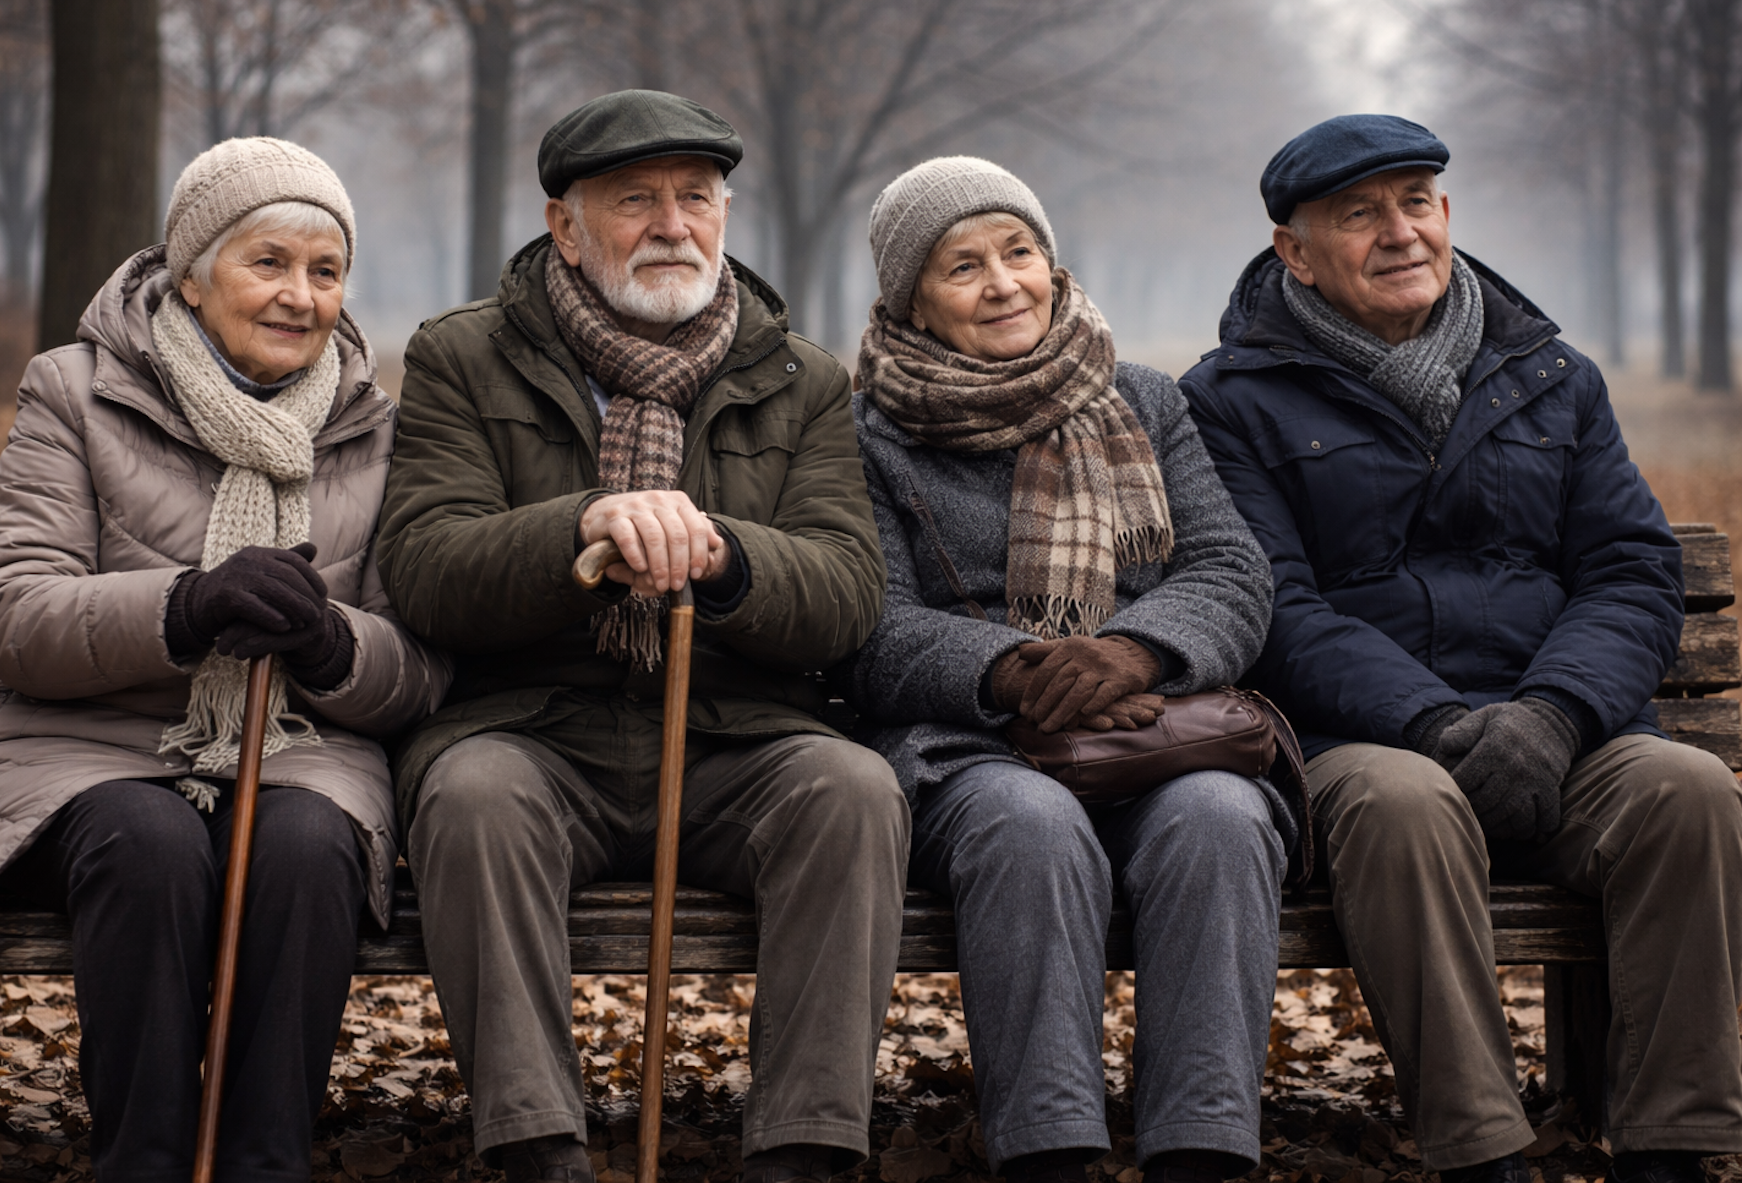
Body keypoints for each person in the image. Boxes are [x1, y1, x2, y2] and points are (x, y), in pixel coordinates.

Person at [1179, 114, 1742, 1183]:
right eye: (1358, 214)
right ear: (1290, 251)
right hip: (1369, 741)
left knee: (1685, 787)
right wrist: (1436, 720)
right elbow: (1275, 608)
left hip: (1560, 728)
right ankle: (1482, 1150)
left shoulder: (1549, 373)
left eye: (1416, 202)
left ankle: (1673, 1146)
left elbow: (1628, 568)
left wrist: (1553, 715)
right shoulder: (1227, 400)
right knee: (1405, 804)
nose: (1399, 233)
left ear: (1446, 214)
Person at [375, 89, 907, 1183]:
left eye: (695, 198)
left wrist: (724, 557)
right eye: (634, 201)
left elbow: (850, 590)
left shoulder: (799, 378)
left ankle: (803, 1150)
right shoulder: (462, 357)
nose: (672, 224)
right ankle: (540, 1146)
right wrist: (579, 527)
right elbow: (425, 567)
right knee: (470, 797)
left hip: (735, 734)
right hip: (529, 730)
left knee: (850, 790)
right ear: (564, 226)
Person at [0, 136, 451, 1181]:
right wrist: (187, 604)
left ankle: (265, 1161)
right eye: (268, 262)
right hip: (73, 745)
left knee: (307, 847)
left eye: (325, 269)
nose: (300, 296)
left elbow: (420, 667)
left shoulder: (378, 430)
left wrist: (327, 638)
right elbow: (10, 612)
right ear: (193, 270)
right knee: (149, 837)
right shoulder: (74, 392)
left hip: (297, 744)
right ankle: (148, 1159)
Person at [840, 156, 1292, 1183]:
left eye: (1019, 251)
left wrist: (1135, 650)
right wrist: (1015, 668)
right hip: (973, 744)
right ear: (910, 298)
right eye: (962, 266)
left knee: (1220, 817)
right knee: (1027, 825)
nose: (1004, 282)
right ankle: (1049, 1149)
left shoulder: (1143, 400)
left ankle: (1203, 1147)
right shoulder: (865, 430)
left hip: (1151, 727)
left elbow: (1228, 566)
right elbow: (867, 622)